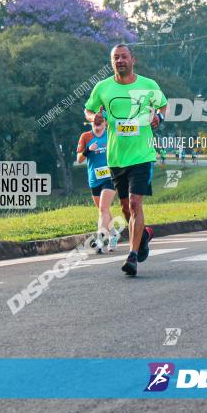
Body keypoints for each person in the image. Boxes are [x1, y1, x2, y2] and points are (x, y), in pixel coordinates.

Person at [84, 44, 168, 277]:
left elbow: (162, 103)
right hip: (116, 157)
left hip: (142, 154)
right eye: (115, 58)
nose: (120, 60)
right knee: (124, 208)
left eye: (124, 57)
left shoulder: (149, 85)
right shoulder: (103, 87)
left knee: (134, 203)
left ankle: (131, 256)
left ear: (133, 60)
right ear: (112, 62)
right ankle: (144, 237)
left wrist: (158, 117)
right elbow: (88, 110)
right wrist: (94, 116)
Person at [76, 113, 120, 253]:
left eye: (100, 126)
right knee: (104, 211)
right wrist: (88, 150)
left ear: (105, 124)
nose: (98, 128)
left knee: (103, 209)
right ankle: (113, 234)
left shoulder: (111, 135)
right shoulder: (86, 136)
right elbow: (79, 159)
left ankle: (99, 240)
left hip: (111, 177)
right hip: (94, 179)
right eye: (95, 125)